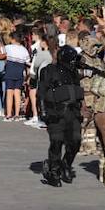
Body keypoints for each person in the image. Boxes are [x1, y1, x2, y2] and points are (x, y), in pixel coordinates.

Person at [37, 47, 84, 187]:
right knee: (57, 142)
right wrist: (43, 112)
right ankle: (54, 171)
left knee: (75, 141)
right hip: (55, 112)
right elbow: (41, 93)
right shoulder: (49, 71)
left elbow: (77, 92)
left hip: (72, 112)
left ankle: (66, 164)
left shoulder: (74, 73)